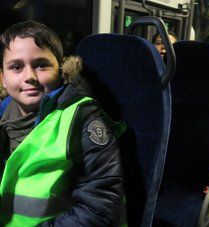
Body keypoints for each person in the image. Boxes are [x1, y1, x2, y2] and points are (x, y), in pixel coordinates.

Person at [0, 20, 124, 226]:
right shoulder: (3, 115)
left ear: (61, 70)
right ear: (3, 78)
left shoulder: (82, 118)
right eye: (16, 67)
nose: (29, 76)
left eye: (41, 65)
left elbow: (101, 208)